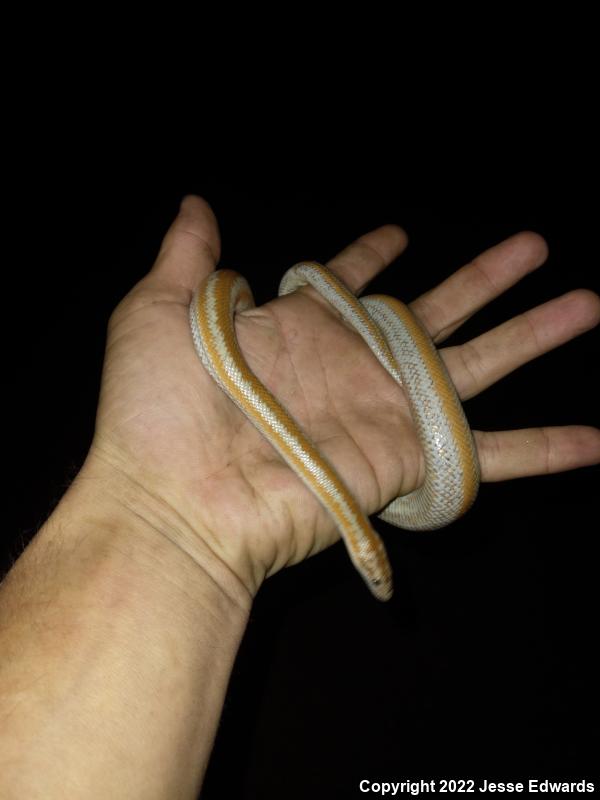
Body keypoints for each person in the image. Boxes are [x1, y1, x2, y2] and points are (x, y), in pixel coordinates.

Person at [0, 195, 598, 799]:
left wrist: (171, 534)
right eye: (374, 572)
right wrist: (159, 515)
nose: (380, 581)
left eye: (375, 572)